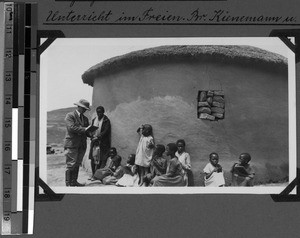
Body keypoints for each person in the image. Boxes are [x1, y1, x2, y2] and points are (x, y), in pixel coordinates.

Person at [64, 99, 91, 187]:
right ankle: (68, 184)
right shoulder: (70, 116)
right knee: (71, 164)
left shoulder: (85, 119)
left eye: (85, 109)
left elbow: (86, 131)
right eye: (83, 108)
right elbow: (71, 128)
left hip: (82, 144)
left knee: (77, 164)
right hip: (72, 144)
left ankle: (74, 181)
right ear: (78, 106)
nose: (84, 110)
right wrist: (84, 129)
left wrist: (91, 133)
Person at [88, 106, 111, 178]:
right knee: (93, 158)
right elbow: (91, 130)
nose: (99, 114)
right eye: (98, 112)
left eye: (100, 112)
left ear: (103, 112)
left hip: (102, 142)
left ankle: (97, 175)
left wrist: (98, 137)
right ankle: (93, 173)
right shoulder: (94, 120)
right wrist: (91, 136)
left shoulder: (106, 120)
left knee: (101, 159)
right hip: (94, 142)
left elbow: (106, 131)